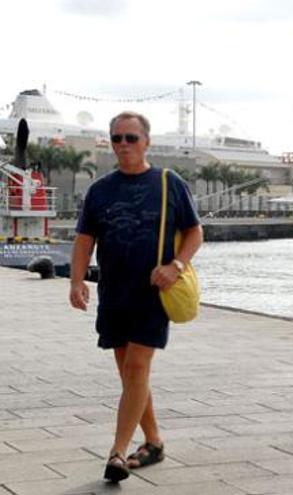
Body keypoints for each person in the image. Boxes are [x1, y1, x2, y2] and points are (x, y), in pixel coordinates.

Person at [69, 111, 202, 482]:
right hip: (114, 293)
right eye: (116, 139)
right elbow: (84, 240)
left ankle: (116, 452)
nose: (123, 145)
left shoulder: (168, 182)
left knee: (137, 368)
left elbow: (195, 233)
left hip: (153, 293)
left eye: (130, 138)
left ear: (147, 141)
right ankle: (154, 441)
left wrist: (175, 266)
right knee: (131, 376)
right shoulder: (100, 190)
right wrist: (76, 281)